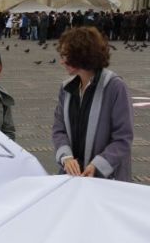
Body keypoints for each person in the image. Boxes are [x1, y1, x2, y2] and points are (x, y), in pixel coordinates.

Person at [52, 27, 133, 181]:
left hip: (107, 180)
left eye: (65, 56)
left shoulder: (115, 87)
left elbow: (123, 138)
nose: (61, 61)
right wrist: (66, 157)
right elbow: (59, 129)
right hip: (74, 177)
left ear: (80, 56)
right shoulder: (66, 88)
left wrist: (98, 165)